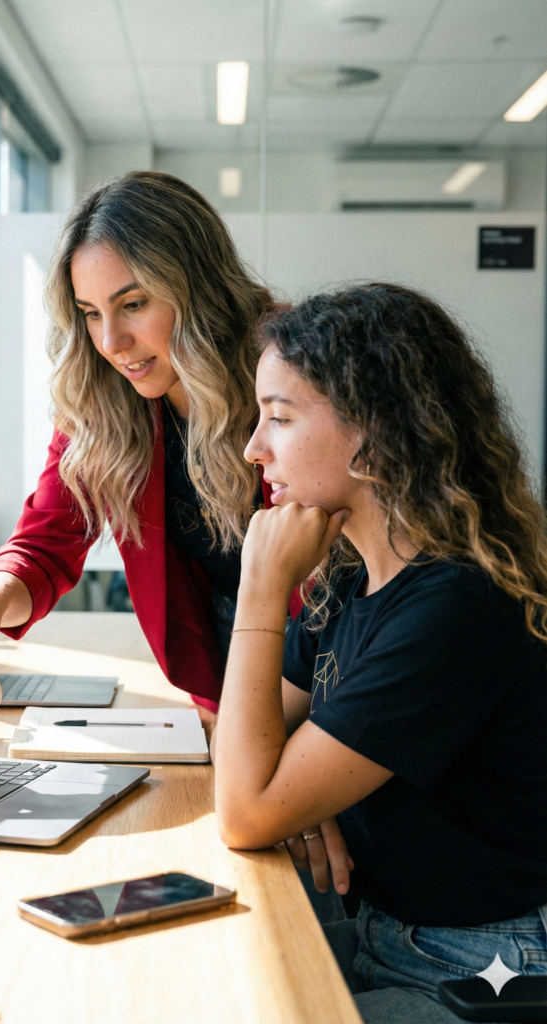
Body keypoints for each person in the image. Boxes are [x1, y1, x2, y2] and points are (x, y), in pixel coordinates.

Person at [213, 283, 547, 1023]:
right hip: (383, 931)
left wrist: (262, 590)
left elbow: (243, 809)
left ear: (372, 430)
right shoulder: (350, 581)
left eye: (278, 417)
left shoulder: (454, 609)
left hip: (479, 968)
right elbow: (243, 753)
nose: (252, 448)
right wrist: (299, 797)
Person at [0, 171, 301, 718]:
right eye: (91, 313)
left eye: (134, 304)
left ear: (199, 286)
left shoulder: (290, 373)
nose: (110, 343)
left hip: (333, 658)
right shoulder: (102, 403)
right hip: (225, 676)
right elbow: (48, 541)